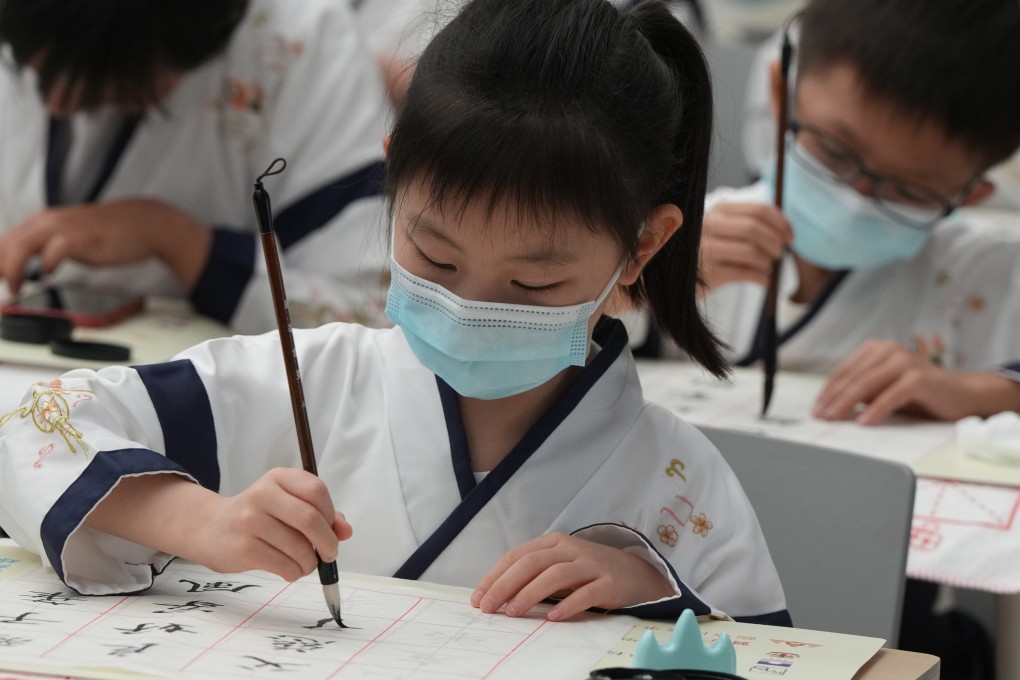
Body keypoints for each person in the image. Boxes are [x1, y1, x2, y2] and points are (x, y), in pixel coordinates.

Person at [0, 0, 789, 625]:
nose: (469, 305)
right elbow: (30, 425)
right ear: (392, 178)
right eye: (436, 259)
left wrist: (653, 592)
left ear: (645, 246)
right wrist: (202, 521)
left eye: (533, 286)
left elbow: (770, 651)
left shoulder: (680, 486)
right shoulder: (307, 379)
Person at [698, 0, 1020, 426]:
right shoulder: (672, 239)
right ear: (781, 97)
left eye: (908, 190)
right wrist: (632, 288)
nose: (854, 201)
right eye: (833, 151)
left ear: (969, 196)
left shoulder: (989, 275)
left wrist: (986, 394)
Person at [0, 0, 390, 334]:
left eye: (106, 92)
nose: (57, 105)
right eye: (35, 68)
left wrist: (186, 247)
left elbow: (373, 323)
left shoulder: (303, 45)